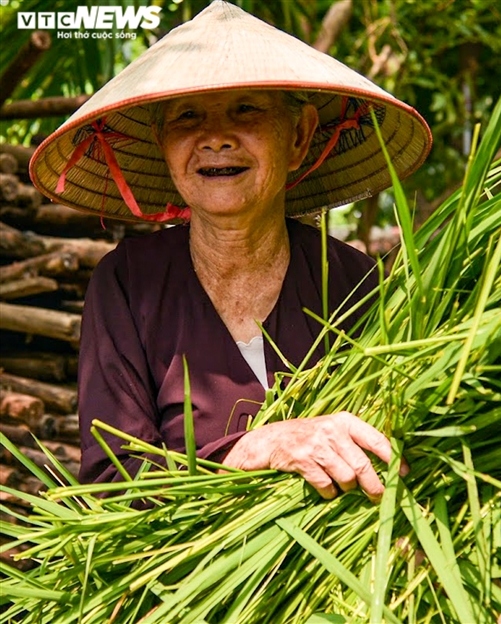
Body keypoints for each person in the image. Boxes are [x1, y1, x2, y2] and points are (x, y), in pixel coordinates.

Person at [30, 1, 431, 502]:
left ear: (299, 137)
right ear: (162, 143)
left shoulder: (356, 285)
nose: (215, 138)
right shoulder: (128, 285)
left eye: (246, 109)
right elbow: (113, 484)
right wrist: (251, 450)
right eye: (188, 117)